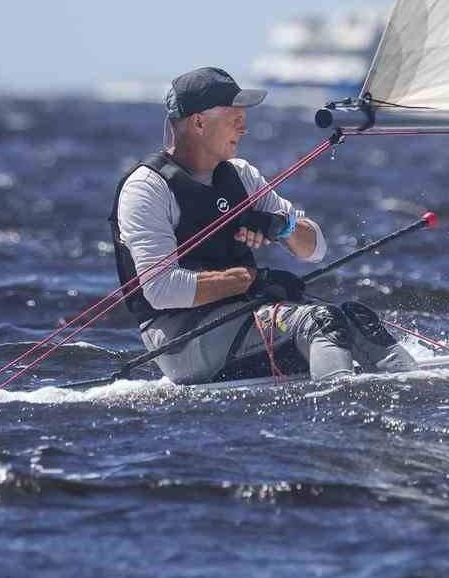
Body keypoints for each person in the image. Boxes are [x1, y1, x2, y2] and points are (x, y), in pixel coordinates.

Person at [109, 66, 414, 384]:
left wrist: (280, 226)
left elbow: (315, 248)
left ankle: (415, 388)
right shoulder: (148, 188)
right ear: (199, 122)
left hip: (242, 319)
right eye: (234, 119)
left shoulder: (241, 175)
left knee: (356, 318)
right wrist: (251, 281)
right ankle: (339, 405)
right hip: (182, 339)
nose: (244, 128)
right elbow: (162, 290)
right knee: (321, 322)